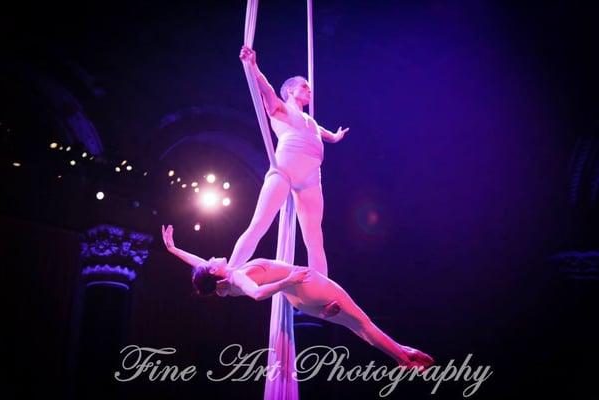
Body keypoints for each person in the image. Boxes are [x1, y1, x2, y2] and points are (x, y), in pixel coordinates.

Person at [162, 225, 434, 368]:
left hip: (303, 301)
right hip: (306, 286)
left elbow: (201, 268)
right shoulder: (235, 277)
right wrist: (287, 280)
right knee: (363, 323)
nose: (211, 257)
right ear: (217, 274)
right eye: (211, 262)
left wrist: (174, 249)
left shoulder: (222, 288)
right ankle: (403, 358)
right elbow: (257, 294)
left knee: (358, 328)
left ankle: (401, 354)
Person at [230, 46, 350, 276]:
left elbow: (324, 133)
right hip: (285, 168)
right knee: (259, 224)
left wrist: (335, 137)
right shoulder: (280, 108)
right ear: (291, 90)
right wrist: (253, 66)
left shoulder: (310, 120)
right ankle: (229, 272)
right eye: (305, 86)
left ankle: (322, 289)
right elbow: (266, 89)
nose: (309, 90)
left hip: (312, 177)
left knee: (315, 238)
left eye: (309, 88)